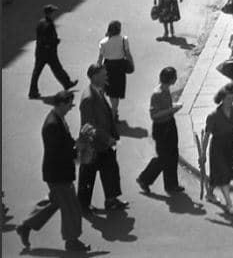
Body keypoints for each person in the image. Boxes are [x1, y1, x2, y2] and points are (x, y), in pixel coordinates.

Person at [15, 90, 91, 253]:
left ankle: (26, 226)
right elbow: (59, 152)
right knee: (71, 207)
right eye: (69, 104)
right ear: (61, 104)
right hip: (58, 173)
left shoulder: (58, 119)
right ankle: (72, 241)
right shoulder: (52, 125)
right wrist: (77, 148)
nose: (70, 108)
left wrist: (78, 142)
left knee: (55, 201)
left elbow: (66, 143)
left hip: (57, 172)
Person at [77, 64, 128, 213]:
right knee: (88, 175)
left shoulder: (98, 91)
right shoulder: (88, 98)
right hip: (93, 145)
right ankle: (83, 205)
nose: (106, 77)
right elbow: (89, 125)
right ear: (94, 77)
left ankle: (111, 200)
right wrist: (107, 139)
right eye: (103, 75)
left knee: (110, 171)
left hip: (103, 144)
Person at [136, 67, 184, 195]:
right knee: (164, 157)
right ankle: (144, 179)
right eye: (174, 76)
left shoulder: (166, 89)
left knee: (173, 155)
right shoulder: (157, 94)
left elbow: (165, 108)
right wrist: (172, 110)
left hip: (170, 124)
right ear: (170, 79)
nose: (176, 78)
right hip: (161, 128)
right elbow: (154, 115)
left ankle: (171, 185)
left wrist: (173, 107)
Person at [203, 83, 233, 215]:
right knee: (224, 173)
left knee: (220, 172)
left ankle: (209, 193)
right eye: (228, 99)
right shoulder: (213, 115)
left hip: (230, 144)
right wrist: (203, 154)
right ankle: (229, 204)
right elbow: (207, 135)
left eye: (232, 99)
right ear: (222, 98)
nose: (230, 102)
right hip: (218, 146)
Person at [28, 5, 78, 99]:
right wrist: (56, 41)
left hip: (39, 51)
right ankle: (67, 83)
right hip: (49, 53)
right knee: (57, 69)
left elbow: (39, 37)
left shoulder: (40, 22)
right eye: (52, 12)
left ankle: (32, 91)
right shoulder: (49, 25)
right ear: (50, 13)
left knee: (37, 71)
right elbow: (49, 40)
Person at [97, 20, 134, 121]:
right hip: (120, 67)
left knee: (109, 90)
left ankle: (112, 112)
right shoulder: (124, 40)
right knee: (116, 93)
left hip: (108, 67)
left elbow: (100, 59)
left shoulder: (103, 42)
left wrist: (97, 71)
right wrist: (131, 64)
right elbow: (128, 54)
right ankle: (114, 112)